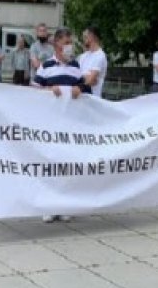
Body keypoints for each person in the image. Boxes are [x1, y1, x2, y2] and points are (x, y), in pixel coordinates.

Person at [33, 27, 91, 223]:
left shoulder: (76, 66)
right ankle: (49, 205)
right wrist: (49, 89)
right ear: (56, 44)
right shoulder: (46, 66)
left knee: (67, 163)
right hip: (51, 125)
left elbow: (86, 87)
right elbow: (33, 90)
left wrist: (79, 88)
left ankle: (65, 204)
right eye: (66, 43)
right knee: (50, 163)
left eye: (71, 43)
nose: (69, 47)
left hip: (70, 124)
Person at [78, 25, 108, 98]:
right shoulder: (83, 56)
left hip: (93, 100)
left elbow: (90, 80)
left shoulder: (100, 56)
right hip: (79, 98)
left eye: (85, 36)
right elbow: (74, 75)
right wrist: (86, 77)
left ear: (92, 36)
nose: (83, 39)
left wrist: (82, 77)